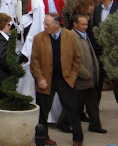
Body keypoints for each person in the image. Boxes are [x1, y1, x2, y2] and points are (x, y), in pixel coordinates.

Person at [30, 13, 83, 146]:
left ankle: (78, 138)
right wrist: (40, 78)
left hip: (66, 79)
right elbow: (34, 61)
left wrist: (73, 75)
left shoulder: (70, 36)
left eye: (47, 24)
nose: (45, 26)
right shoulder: (38, 38)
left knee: (73, 109)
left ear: (57, 24)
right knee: (43, 111)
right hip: (46, 81)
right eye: (44, 23)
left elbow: (77, 58)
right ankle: (43, 137)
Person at [71, 14, 107, 134]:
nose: (85, 27)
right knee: (73, 105)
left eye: (86, 24)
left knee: (93, 104)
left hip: (90, 78)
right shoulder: (72, 37)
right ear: (75, 24)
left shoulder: (84, 35)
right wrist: (85, 74)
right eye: (83, 24)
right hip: (82, 79)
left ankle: (95, 125)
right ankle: (63, 123)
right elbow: (74, 60)